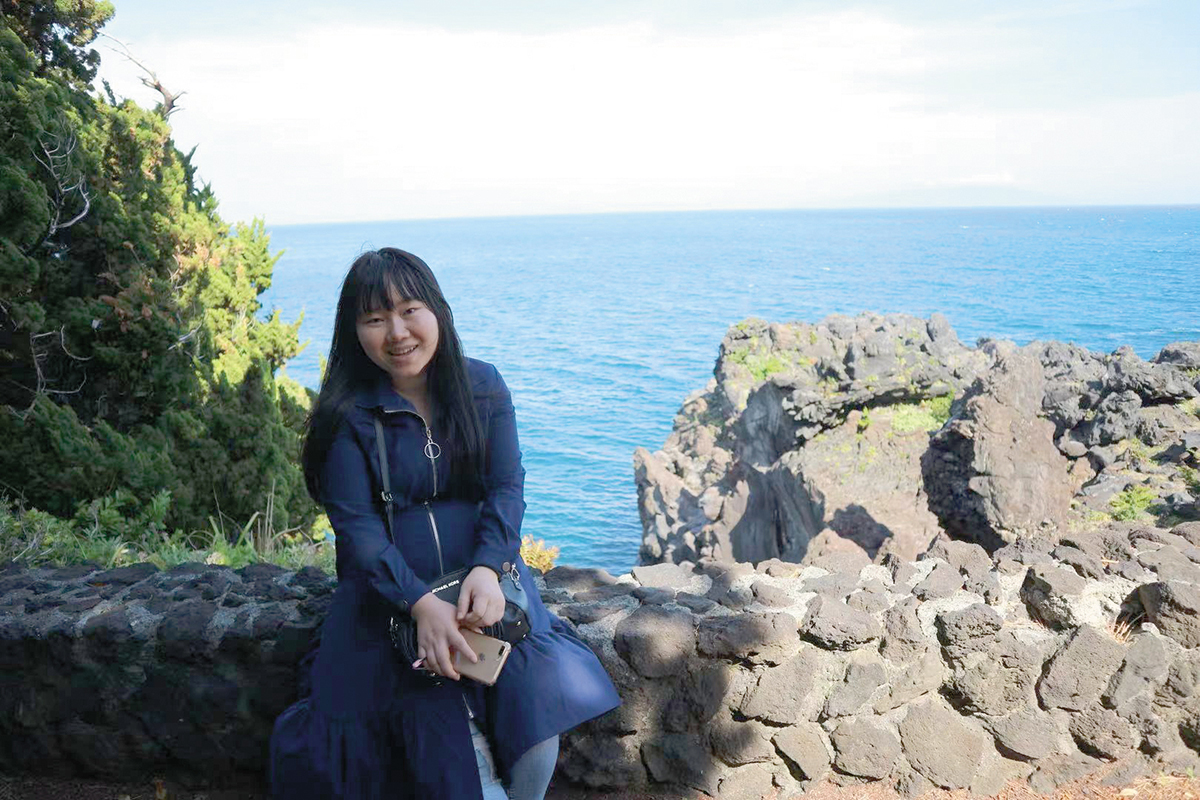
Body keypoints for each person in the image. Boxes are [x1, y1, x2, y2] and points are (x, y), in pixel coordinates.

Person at [269, 248, 621, 799]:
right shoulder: (346, 417)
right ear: (354, 331)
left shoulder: (482, 387)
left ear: (437, 310)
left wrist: (489, 567)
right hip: (388, 601)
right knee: (443, 743)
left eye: (410, 310)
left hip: (486, 588)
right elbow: (358, 531)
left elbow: (506, 486)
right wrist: (420, 604)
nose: (397, 333)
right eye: (375, 318)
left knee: (533, 712)